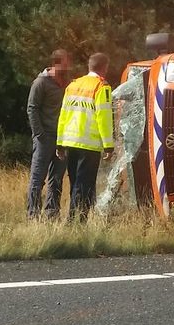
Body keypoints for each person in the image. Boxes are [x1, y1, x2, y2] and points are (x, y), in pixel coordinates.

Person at [56, 52, 115, 222]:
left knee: (75, 183)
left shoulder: (73, 85)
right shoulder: (101, 87)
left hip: (70, 141)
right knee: (84, 185)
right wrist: (108, 145)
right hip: (89, 145)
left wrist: (59, 143)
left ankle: (77, 219)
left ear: (89, 66)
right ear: (105, 68)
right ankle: (75, 222)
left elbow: (63, 115)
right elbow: (103, 118)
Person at [26, 49, 71, 220]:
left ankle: (52, 213)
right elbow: (32, 109)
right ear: (56, 63)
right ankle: (33, 214)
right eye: (66, 62)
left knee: (57, 178)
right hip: (44, 138)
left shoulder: (66, 83)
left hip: (62, 138)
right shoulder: (40, 83)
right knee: (37, 178)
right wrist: (39, 134)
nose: (68, 66)